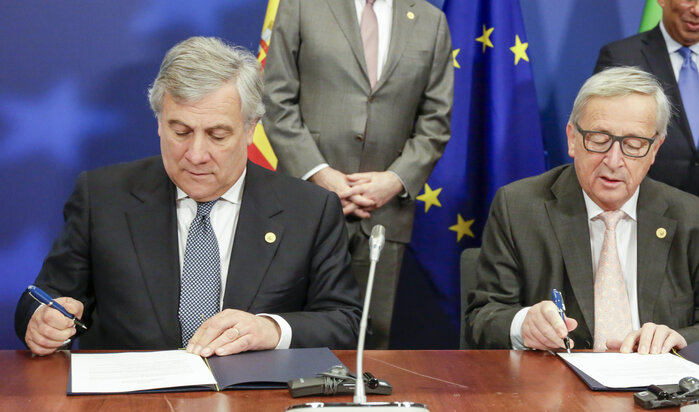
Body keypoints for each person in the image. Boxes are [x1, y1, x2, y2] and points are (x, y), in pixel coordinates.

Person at [15, 36, 361, 357]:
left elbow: (345, 322)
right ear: (159, 123)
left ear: (251, 129)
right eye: (180, 131)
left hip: (252, 407)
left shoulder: (309, 209)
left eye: (217, 135)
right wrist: (42, 320)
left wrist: (270, 329)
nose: (196, 154)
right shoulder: (102, 196)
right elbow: (43, 297)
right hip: (126, 407)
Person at [466, 67, 699, 353]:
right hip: (556, 388)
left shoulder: (694, 219)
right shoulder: (519, 207)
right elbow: (483, 317)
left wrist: (680, 338)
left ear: (655, 150)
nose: (614, 161)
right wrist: (523, 324)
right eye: (599, 139)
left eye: (634, 144)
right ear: (572, 138)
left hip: (660, 390)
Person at [262, 0, 453, 349]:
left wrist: (394, 180)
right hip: (302, 204)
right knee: (288, 331)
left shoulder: (432, 21)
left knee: (370, 340)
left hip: (382, 211)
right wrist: (320, 175)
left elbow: (435, 124)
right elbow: (275, 102)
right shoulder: (302, 7)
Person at [594, 0, 699, 251]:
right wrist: (659, 208)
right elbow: (604, 143)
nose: (698, 10)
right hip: (640, 228)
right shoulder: (622, 57)